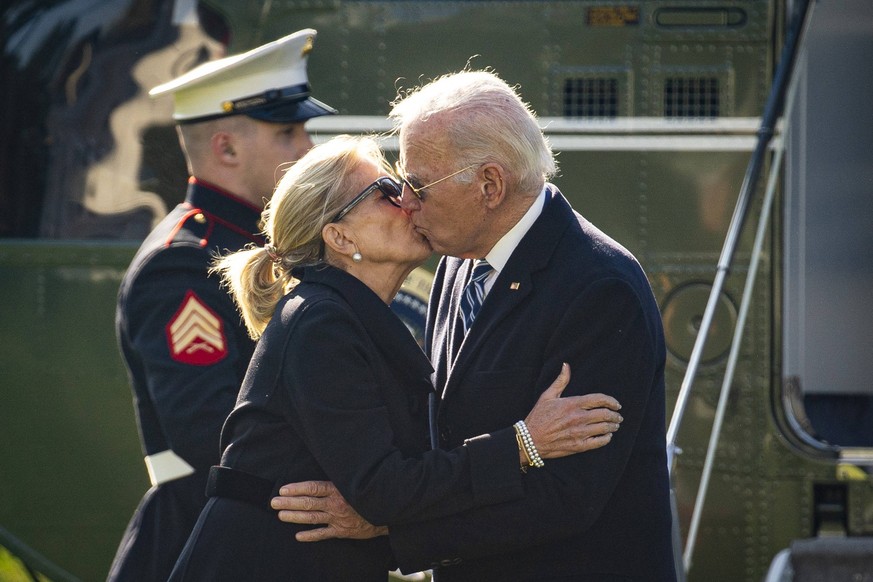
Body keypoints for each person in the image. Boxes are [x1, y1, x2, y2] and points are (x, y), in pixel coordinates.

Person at [273, 70, 677, 581]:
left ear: (489, 185)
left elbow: (567, 498)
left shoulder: (598, 288)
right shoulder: (458, 262)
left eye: (417, 186)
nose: (407, 202)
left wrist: (389, 531)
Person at [167, 135, 624, 581]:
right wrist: (524, 443)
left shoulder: (343, 317)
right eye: (385, 192)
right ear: (340, 236)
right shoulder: (322, 323)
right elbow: (383, 490)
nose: (408, 199)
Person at [109, 29, 336, 582]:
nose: (308, 147)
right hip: (208, 545)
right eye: (287, 132)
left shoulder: (266, 246)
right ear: (226, 148)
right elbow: (211, 434)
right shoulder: (183, 265)